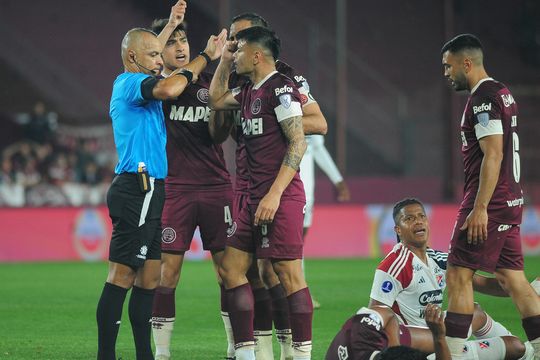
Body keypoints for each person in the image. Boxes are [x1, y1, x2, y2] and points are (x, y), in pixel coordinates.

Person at [208, 13, 328, 360]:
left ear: (258, 53)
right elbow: (215, 100)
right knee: (231, 270)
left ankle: (298, 354)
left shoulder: (284, 88)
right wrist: (224, 62)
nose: (234, 48)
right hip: (248, 193)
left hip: (278, 194)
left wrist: (274, 195)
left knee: (286, 273)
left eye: (239, 44)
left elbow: (299, 142)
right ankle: (246, 353)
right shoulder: (246, 90)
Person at [95, 1, 203, 358]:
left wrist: (171, 25)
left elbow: (144, 48)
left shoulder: (138, 72)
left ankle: (145, 355)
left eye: (163, 53)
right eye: (154, 55)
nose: (161, 59)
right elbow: (170, 89)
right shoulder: (128, 82)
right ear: (133, 59)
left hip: (153, 190)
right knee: (122, 277)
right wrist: (202, 59)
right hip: (135, 188)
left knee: (149, 280)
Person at [441, 33, 540, 359]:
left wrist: (480, 207)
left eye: (448, 66)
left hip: (491, 202)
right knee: (513, 279)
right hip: (510, 199)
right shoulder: (502, 92)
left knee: (457, 274)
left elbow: (493, 154)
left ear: (465, 63)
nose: (446, 73)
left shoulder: (483, 98)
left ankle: (453, 354)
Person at [147, 12, 231, 360]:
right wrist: (207, 57)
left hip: (216, 187)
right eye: (170, 43)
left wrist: (222, 107)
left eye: (182, 40)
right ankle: (163, 354)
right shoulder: (152, 87)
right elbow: (169, 87)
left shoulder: (210, 84)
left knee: (229, 272)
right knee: (168, 273)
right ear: (157, 52)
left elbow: (219, 136)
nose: (180, 47)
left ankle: (234, 347)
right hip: (175, 190)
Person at [369, 198, 531, 360]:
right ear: (398, 230)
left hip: (436, 331)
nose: (418, 222)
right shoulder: (394, 266)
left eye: (421, 216)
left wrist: (525, 287)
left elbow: (484, 284)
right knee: (516, 347)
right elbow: (375, 318)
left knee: (475, 312)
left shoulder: (439, 260)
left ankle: (527, 354)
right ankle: (527, 354)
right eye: (409, 219)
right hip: (417, 345)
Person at [300, 133, 350, 309]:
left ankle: (297, 291)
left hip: (307, 192)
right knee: (292, 240)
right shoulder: (277, 107)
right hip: (287, 188)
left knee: (298, 241)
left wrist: (338, 180)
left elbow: (318, 148)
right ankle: (299, 292)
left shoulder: (309, 108)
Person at [325, 303, 451, 360]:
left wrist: (438, 336)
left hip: (381, 339)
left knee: (448, 341)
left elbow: (387, 313)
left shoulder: (363, 332)